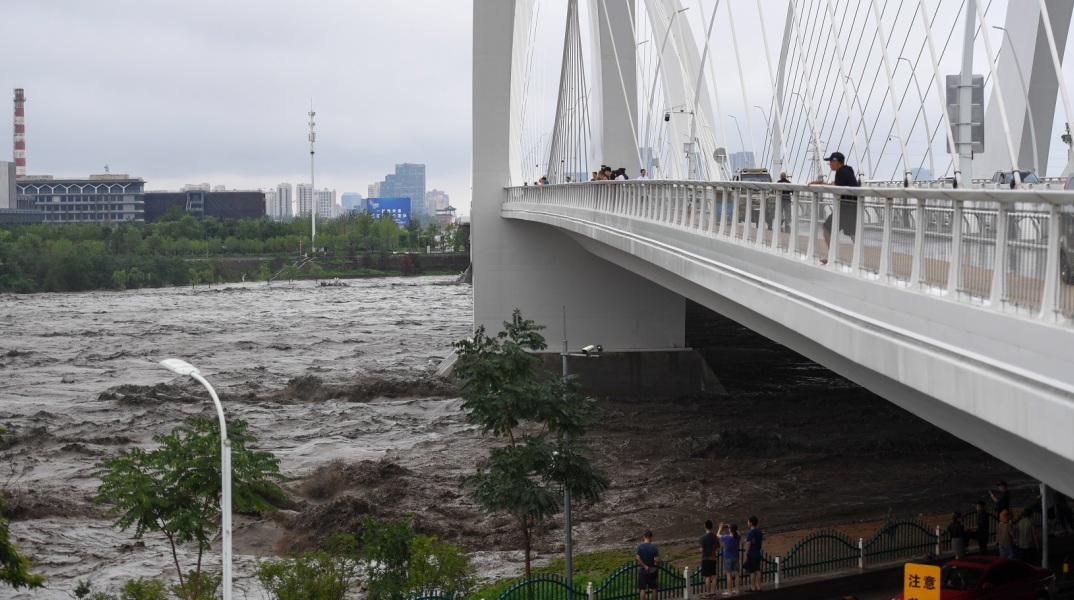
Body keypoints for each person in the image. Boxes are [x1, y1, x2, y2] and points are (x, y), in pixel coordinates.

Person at [808, 152, 859, 264]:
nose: (829, 164)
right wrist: (823, 183)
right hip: (852, 205)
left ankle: (832, 255)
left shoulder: (840, 172)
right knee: (852, 232)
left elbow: (837, 188)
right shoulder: (848, 171)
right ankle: (859, 258)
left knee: (827, 228)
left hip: (845, 206)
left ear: (835, 161)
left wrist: (823, 184)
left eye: (830, 162)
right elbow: (839, 185)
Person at [718, 523, 740, 596]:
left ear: (730, 529)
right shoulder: (738, 537)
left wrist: (720, 528)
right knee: (737, 574)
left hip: (727, 557)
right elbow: (738, 532)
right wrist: (731, 527)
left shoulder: (727, 538)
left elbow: (717, 535)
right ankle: (737, 590)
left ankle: (729, 591)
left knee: (729, 575)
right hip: (736, 557)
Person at [636, 530, 660, 600]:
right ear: (651, 538)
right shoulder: (654, 547)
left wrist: (644, 566)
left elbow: (637, 558)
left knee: (642, 589)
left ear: (644, 537)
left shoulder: (639, 546)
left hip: (642, 571)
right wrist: (655, 561)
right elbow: (657, 559)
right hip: (652, 570)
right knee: (654, 588)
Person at [743, 516, 764, 593]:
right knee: (758, 570)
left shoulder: (750, 532)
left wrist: (746, 554)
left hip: (751, 553)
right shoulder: (759, 532)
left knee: (752, 571)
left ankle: (752, 587)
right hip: (758, 552)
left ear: (751, 523)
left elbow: (748, 544)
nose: (747, 523)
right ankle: (758, 586)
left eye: (748, 522)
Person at [699, 520, 718, 598]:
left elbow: (701, 549)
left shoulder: (703, 538)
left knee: (707, 576)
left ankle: (708, 593)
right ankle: (714, 592)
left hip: (706, 558)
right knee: (713, 576)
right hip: (713, 558)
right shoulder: (715, 537)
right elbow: (717, 547)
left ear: (705, 526)